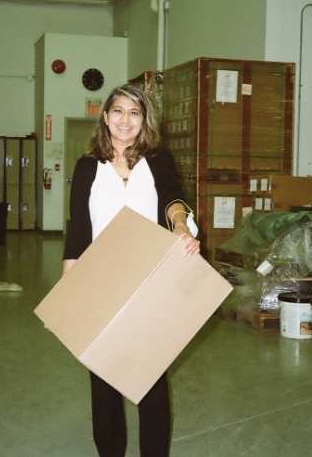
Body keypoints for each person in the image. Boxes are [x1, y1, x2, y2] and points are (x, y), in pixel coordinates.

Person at [62, 84, 200, 457]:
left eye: (134, 113)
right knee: (104, 378)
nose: (126, 120)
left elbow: (173, 199)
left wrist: (181, 226)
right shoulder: (87, 165)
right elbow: (78, 229)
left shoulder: (158, 160)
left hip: (149, 278)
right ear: (105, 116)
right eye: (118, 111)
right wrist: (67, 292)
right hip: (101, 279)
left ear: (144, 120)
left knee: (151, 378)